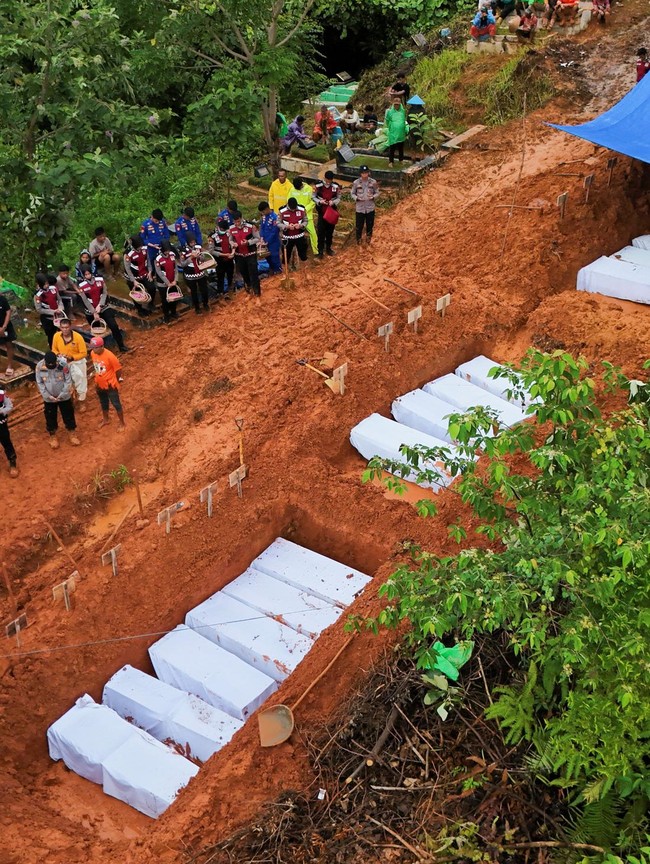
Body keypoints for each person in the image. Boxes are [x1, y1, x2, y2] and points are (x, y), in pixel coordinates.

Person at [35, 351, 80, 449]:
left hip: (63, 396)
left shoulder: (63, 364)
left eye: (53, 364)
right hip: (49, 398)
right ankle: (52, 436)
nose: (51, 366)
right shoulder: (39, 366)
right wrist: (47, 396)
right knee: (50, 416)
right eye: (49, 365)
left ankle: (72, 433)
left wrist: (62, 394)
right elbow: (40, 383)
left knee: (68, 414)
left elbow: (68, 380)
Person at [78, 267, 129, 352]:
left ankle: (121, 346)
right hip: (91, 312)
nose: (88, 276)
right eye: (85, 274)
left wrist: (100, 305)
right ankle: (102, 350)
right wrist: (94, 312)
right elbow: (85, 300)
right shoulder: (81, 285)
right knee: (97, 332)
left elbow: (104, 292)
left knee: (114, 325)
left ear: (91, 273)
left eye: (89, 273)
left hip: (104, 307)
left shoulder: (100, 279)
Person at [52, 318, 88, 411]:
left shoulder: (78, 337)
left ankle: (82, 402)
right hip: (63, 363)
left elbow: (84, 353)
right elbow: (54, 349)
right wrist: (58, 354)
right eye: (63, 328)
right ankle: (70, 401)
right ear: (60, 328)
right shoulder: (56, 336)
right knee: (65, 384)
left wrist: (72, 357)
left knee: (81, 382)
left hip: (77, 363)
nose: (65, 330)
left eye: (67, 327)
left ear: (70, 327)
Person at [90, 337, 125, 430]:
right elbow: (96, 368)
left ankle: (122, 423)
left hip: (110, 384)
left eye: (96, 347)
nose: (94, 349)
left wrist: (115, 380)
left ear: (102, 346)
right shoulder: (93, 353)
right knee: (103, 402)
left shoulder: (110, 356)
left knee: (116, 403)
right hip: (99, 383)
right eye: (93, 347)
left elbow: (118, 370)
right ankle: (106, 419)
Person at [228, 212, 261, 296]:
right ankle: (249, 288)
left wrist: (248, 242)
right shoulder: (231, 228)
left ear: (241, 218)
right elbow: (230, 239)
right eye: (235, 222)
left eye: (238, 221)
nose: (237, 223)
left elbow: (257, 238)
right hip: (239, 255)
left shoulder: (251, 226)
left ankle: (257, 292)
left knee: (253, 273)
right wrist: (232, 244)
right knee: (244, 273)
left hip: (251, 253)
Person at [124, 235, 155, 317]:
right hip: (134, 277)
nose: (140, 247)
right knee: (137, 294)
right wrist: (133, 281)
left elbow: (148, 260)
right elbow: (127, 268)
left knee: (152, 288)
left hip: (145, 274)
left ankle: (150, 304)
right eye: (139, 246)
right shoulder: (128, 254)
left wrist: (150, 271)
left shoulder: (145, 249)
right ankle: (140, 310)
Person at [313, 171, 341, 258]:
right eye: (327, 180)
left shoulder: (336, 186)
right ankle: (320, 251)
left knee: (330, 232)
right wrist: (320, 201)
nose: (328, 182)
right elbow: (313, 196)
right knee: (321, 232)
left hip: (331, 212)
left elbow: (339, 197)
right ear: (324, 178)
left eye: (330, 180)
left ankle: (328, 248)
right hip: (322, 212)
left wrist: (333, 202)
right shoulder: (318, 186)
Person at [180, 232, 210, 314]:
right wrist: (191, 258)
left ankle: (205, 304)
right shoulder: (183, 251)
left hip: (200, 272)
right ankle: (197, 307)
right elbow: (182, 264)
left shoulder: (198, 247)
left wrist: (200, 257)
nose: (193, 244)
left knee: (204, 290)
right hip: (190, 274)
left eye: (194, 242)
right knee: (194, 292)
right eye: (191, 242)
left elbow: (204, 257)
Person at [351, 166, 380, 245]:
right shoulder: (356, 183)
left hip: (370, 208)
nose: (365, 175)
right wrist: (357, 198)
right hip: (360, 208)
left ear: (368, 173)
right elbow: (352, 193)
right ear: (360, 173)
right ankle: (359, 241)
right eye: (363, 173)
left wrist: (373, 197)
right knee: (359, 226)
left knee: (370, 225)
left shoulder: (373, 182)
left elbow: (377, 192)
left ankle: (368, 240)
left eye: (366, 173)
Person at [154, 240, 181, 322]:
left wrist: (175, 280)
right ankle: (166, 316)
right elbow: (159, 273)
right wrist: (168, 283)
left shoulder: (172, 255)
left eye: (168, 250)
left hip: (173, 282)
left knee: (174, 298)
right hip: (163, 284)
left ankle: (174, 312)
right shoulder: (158, 259)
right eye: (166, 251)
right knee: (165, 300)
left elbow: (175, 269)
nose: (168, 252)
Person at [34, 273, 64, 348]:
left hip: (59, 316)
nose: (47, 285)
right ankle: (53, 350)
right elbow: (39, 309)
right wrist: (53, 312)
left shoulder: (53, 289)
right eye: (44, 284)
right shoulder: (38, 295)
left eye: (47, 283)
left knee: (62, 333)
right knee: (51, 336)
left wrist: (60, 308)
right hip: (48, 318)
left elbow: (59, 300)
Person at [278, 198, 308, 269]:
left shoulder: (302, 209)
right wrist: (287, 226)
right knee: (286, 255)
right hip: (287, 237)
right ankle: (286, 269)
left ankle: (303, 269)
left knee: (303, 254)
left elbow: (306, 220)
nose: (293, 210)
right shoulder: (282, 211)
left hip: (299, 236)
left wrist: (301, 225)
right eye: (292, 209)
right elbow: (278, 223)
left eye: (294, 209)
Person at [209, 219, 236, 296]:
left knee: (230, 274)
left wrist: (233, 251)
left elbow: (233, 243)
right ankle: (220, 292)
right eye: (222, 229)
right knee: (220, 276)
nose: (223, 231)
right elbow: (211, 251)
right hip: (220, 260)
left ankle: (231, 289)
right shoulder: (212, 237)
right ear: (218, 227)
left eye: (225, 229)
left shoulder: (229, 233)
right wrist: (223, 255)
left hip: (230, 259)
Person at [292, 178, 318, 254]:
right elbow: (289, 200)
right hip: (295, 217)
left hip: (307, 216)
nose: (298, 189)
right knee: (294, 234)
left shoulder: (309, 189)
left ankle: (316, 251)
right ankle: (297, 252)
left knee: (313, 233)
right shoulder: (292, 189)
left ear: (302, 185)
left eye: (299, 188)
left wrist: (305, 209)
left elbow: (313, 201)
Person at [257, 203, 282, 274]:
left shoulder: (275, 217)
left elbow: (274, 231)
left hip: (273, 241)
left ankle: (278, 270)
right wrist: (261, 237)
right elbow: (262, 227)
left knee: (274, 257)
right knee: (267, 257)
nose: (262, 213)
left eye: (263, 211)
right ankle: (272, 269)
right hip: (264, 241)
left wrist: (267, 241)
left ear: (267, 209)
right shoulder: (264, 217)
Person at [385, 98, 408, 166]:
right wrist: (392, 127)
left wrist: (403, 128)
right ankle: (391, 162)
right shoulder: (390, 112)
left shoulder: (403, 111)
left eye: (398, 105)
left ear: (400, 104)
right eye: (395, 104)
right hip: (393, 133)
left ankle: (401, 160)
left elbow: (403, 120)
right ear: (393, 104)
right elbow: (387, 121)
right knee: (392, 148)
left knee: (401, 148)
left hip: (401, 133)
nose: (396, 106)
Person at [0, 389, 18, 477]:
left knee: (6, 442)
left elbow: (9, 406)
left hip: (1, 424)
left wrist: (1, 411)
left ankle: (12, 462)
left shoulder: (1, 394)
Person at [0, 290, 17, 378]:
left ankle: (10, 365)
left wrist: (4, 327)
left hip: (5, 326)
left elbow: (8, 312)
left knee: (9, 344)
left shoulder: (2, 299)